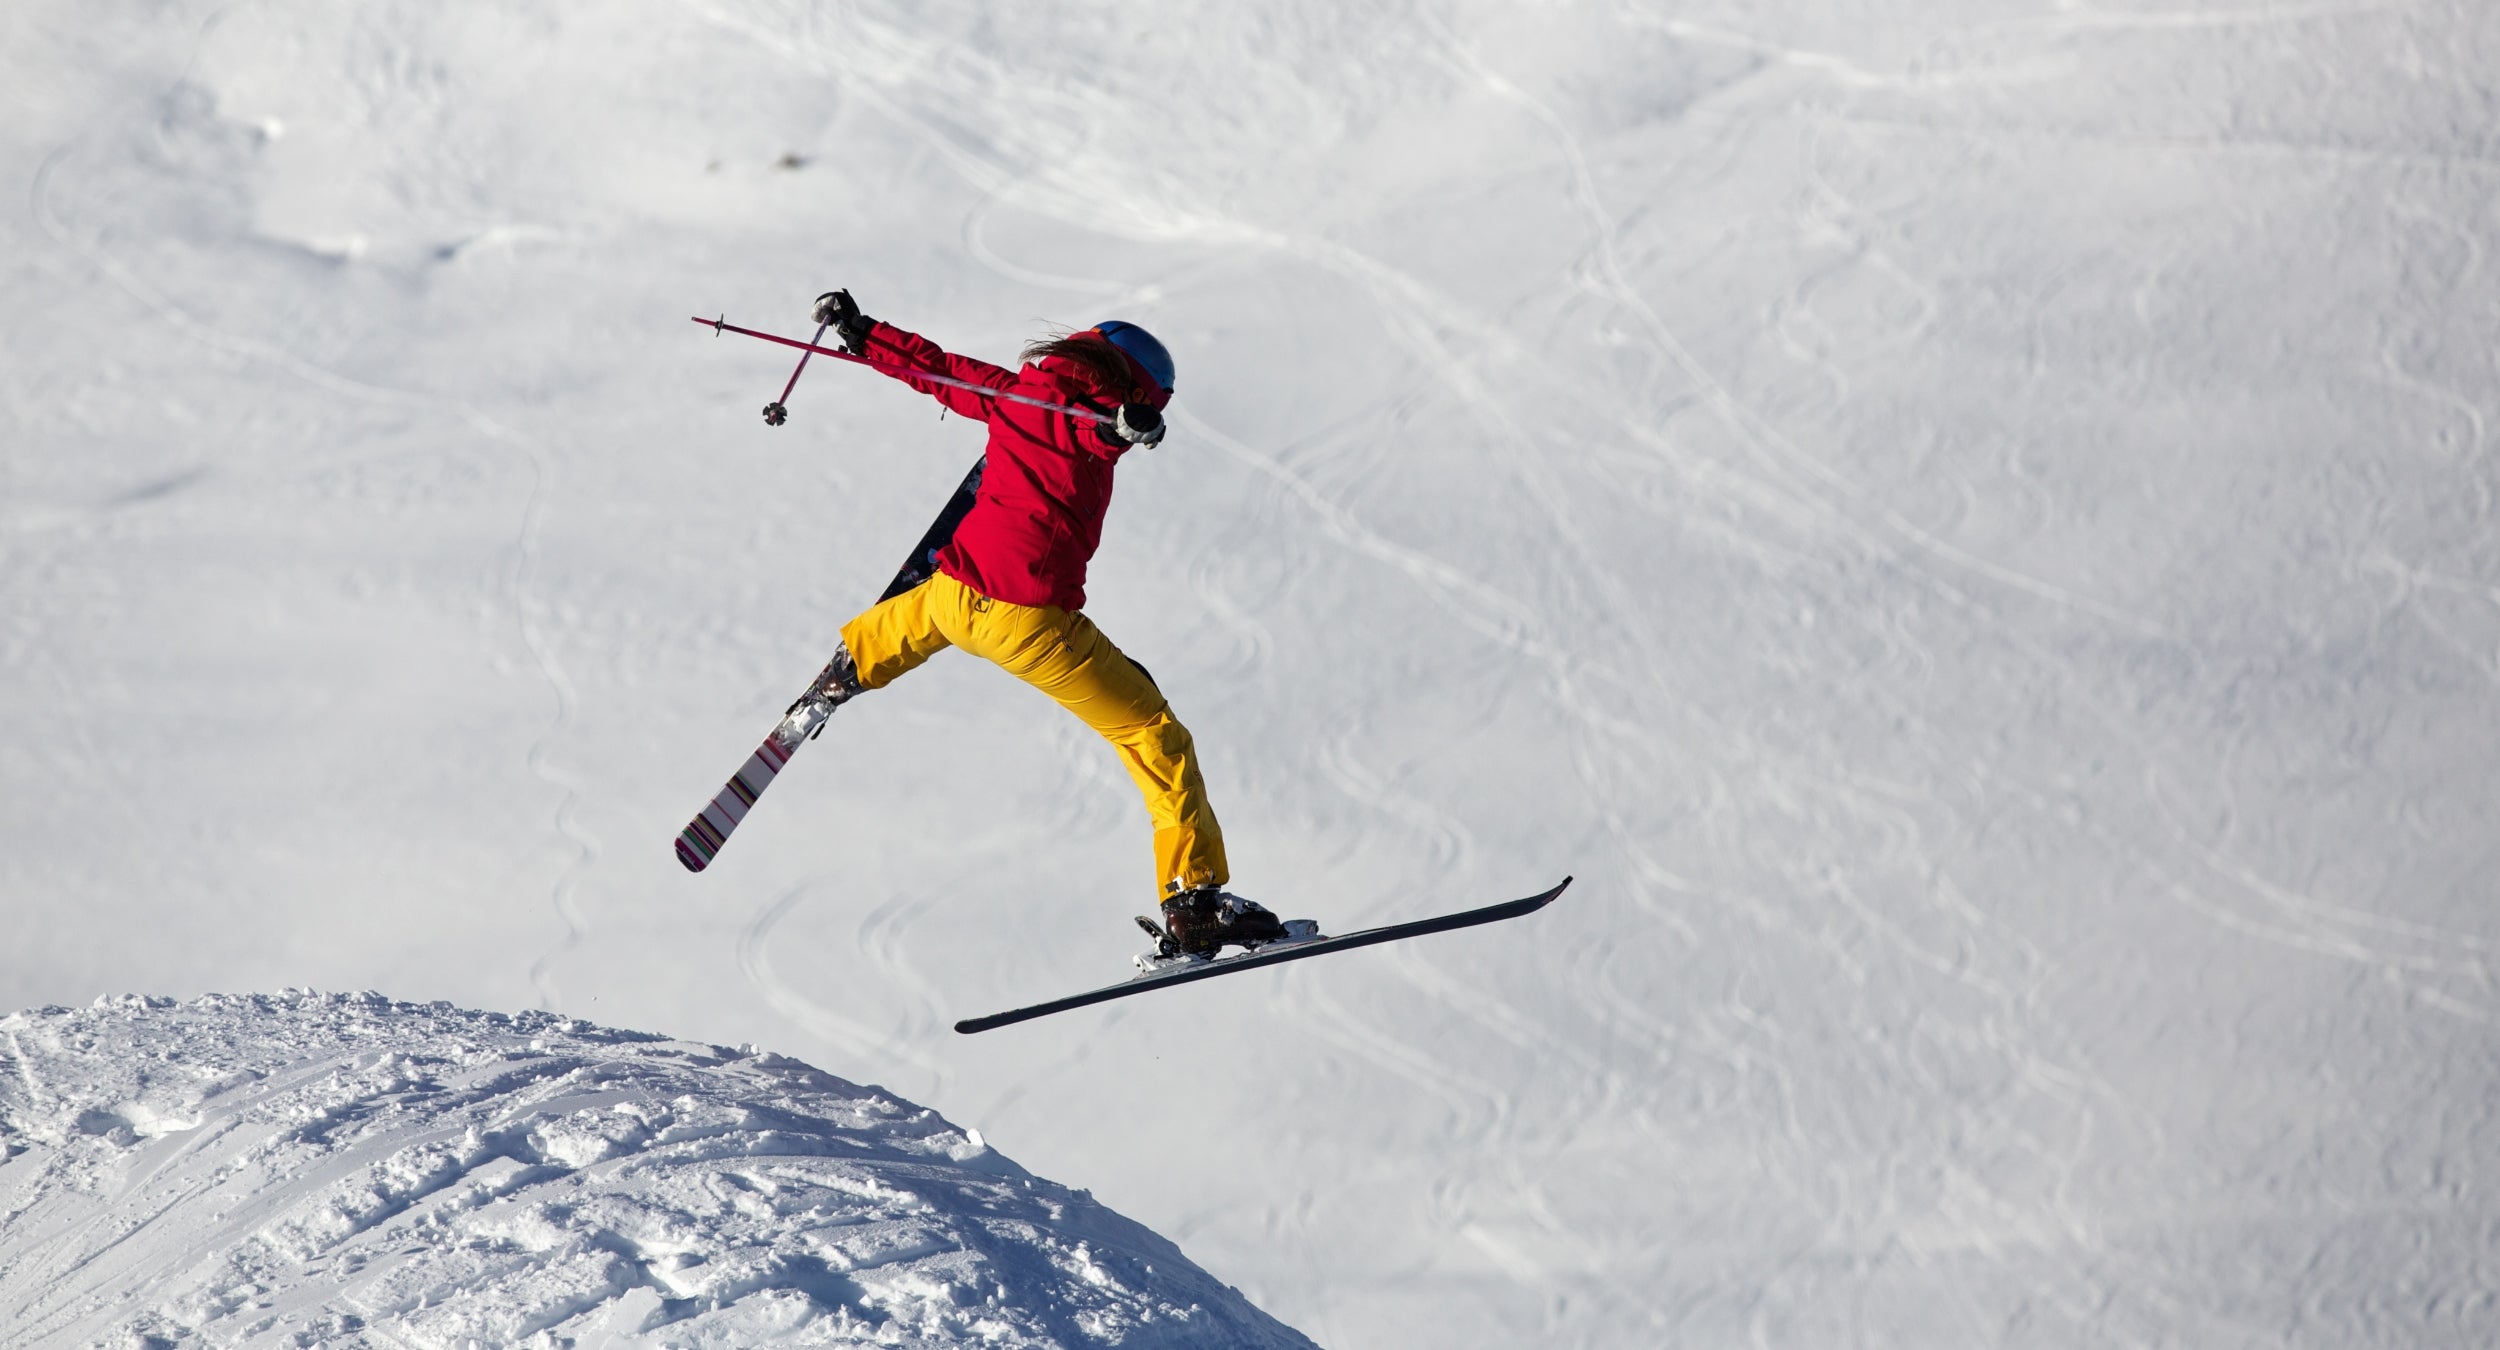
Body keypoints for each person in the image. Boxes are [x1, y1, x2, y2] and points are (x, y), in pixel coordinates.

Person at [793, 290, 1286, 958]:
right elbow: (1091, 428)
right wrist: (1121, 428)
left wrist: (860, 331)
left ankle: (850, 664)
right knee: (1153, 732)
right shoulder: (1091, 420)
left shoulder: (1012, 394)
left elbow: (936, 370)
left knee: (925, 615)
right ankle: (1193, 901)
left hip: (952, 597)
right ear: (1133, 385)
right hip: (1029, 625)